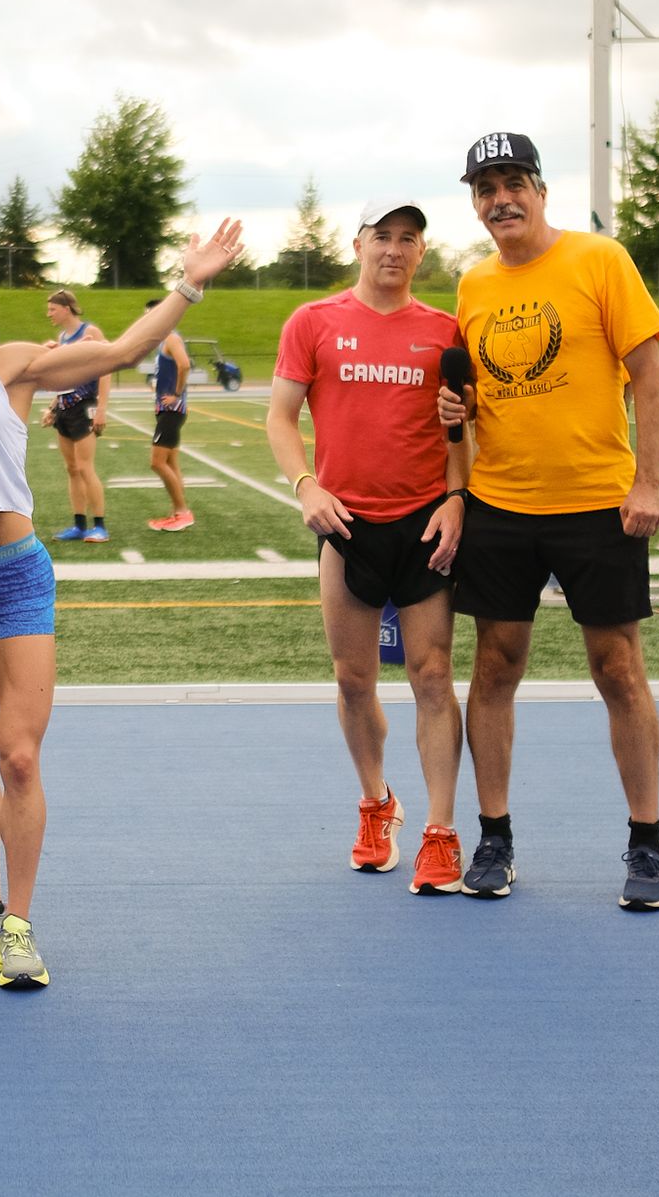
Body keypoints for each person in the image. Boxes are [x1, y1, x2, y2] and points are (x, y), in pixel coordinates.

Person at [0, 216, 245, 988]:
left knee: (17, 752)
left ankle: (18, 921)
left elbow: (118, 352)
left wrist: (190, 279)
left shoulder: (7, 364)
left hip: (13, 574)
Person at [438, 131, 659, 910]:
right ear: (476, 203)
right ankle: (495, 836)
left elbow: (648, 377)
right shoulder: (472, 285)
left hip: (597, 503)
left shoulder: (600, 260)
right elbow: (477, 395)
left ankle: (646, 844)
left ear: (540, 189)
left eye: (512, 182)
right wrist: (458, 409)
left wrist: (646, 483)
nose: (499, 198)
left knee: (618, 670)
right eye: (485, 187)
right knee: (496, 667)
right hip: (502, 503)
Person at [267, 199, 470, 895]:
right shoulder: (314, 322)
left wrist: (456, 498)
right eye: (381, 235)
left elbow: (460, 434)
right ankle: (377, 800)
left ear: (421, 252)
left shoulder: (445, 332)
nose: (393, 247)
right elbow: (280, 416)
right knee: (354, 680)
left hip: (422, 526)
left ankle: (440, 832)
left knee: (433, 676)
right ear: (357, 243)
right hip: (346, 525)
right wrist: (306, 486)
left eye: (407, 237)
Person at [40, 290, 112, 543]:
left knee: (85, 467)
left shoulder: (90, 333)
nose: (49, 313)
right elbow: (64, 378)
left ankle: (100, 526)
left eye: (52, 309)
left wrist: (102, 408)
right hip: (65, 407)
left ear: (66, 309)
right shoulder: (62, 337)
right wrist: (52, 407)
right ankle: (79, 524)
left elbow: (106, 370)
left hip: (85, 407)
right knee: (71, 468)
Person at [146, 307, 195, 531]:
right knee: (171, 463)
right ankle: (178, 512)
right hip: (168, 410)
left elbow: (184, 364)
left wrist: (176, 394)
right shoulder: (162, 342)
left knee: (157, 462)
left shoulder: (171, 337)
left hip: (172, 411)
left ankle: (183, 512)